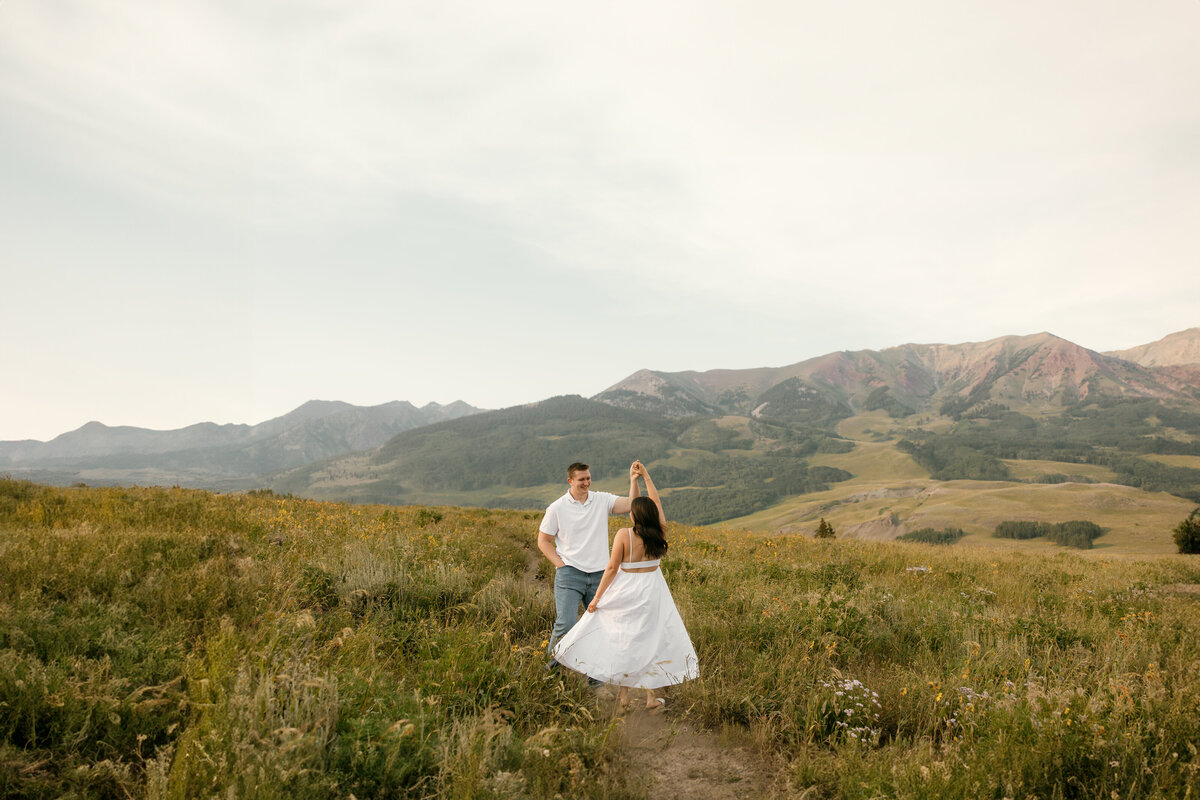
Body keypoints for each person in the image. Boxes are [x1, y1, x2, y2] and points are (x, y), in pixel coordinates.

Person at [552, 463, 698, 710]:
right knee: (650, 643)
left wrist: (596, 599)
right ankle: (650, 699)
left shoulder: (624, 535)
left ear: (634, 515)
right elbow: (656, 501)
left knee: (624, 643)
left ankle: (624, 699)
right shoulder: (660, 532)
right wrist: (645, 477)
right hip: (652, 593)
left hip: (626, 593)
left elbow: (611, 569)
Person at [538, 461, 641, 658]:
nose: (586, 483)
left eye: (588, 478)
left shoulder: (601, 499)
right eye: (581, 479)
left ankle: (595, 673)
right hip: (570, 574)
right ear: (570, 481)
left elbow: (631, 504)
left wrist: (634, 480)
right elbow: (543, 541)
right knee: (565, 624)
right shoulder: (557, 508)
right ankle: (551, 670)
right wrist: (562, 565)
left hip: (600, 576)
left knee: (601, 625)